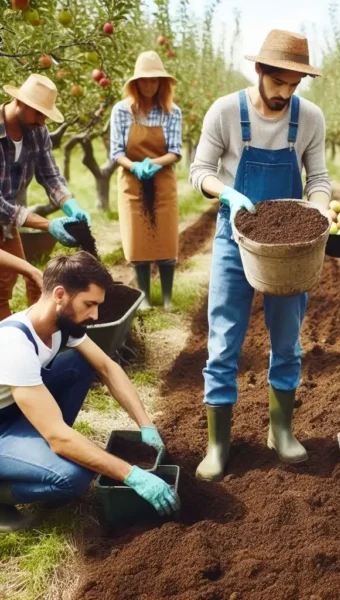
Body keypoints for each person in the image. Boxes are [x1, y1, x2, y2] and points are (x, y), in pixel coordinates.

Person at [190, 29, 331, 481]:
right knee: (224, 339)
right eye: (279, 84)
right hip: (237, 238)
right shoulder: (225, 112)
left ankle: (281, 431)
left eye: (294, 85)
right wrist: (228, 193)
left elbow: (320, 178)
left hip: (291, 249)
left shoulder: (309, 119)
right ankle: (218, 443)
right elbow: (200, 171)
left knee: (287, 339)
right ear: (260, 71)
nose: (285, 94)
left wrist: (321, 211)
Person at [0, 252, 179, 532]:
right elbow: (58, 439)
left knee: (80, 361)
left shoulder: (60, 325)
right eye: (89, 304)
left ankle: (37, 451)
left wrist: (145, 424)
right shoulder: (14, 344)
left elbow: (107, 367)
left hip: (17, 413)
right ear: (60, 295)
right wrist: (132, 474)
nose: (95, 315)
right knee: (73, 476)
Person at [1, 74, 91, 320]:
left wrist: (70, 205)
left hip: (5, 225)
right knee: (0, 291)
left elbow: (50, 176)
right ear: (20, 103)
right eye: (39, 114)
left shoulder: (36, 131)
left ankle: (39, 336)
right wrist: (49, 224)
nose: (43, 122)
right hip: (4, 213)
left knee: (35, 279)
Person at [110, 51, 182, 310]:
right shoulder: (121, 111)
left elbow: (175, 151)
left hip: (162, 181)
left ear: (162, 83)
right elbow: (116, 152)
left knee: (165, 237)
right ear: (136, 83)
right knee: (137, 237)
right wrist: (135, 166)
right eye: (145, 80)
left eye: (155, 80)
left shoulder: (172, 112)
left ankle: (167, 297)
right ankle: (143, 297)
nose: (150, 85)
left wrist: (153, 163)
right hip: (132, 182)